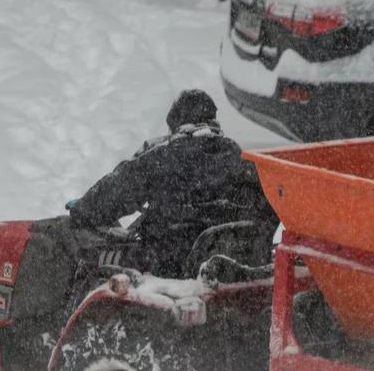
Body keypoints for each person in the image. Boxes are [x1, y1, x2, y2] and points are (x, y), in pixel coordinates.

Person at [69, 89, 277, 277]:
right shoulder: (245, 162)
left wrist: (83, 209)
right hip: (233, 266)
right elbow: (272, 211)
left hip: (166, 264)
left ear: (177, 125)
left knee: (88, 261)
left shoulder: (164, 158)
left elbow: (114, 193)